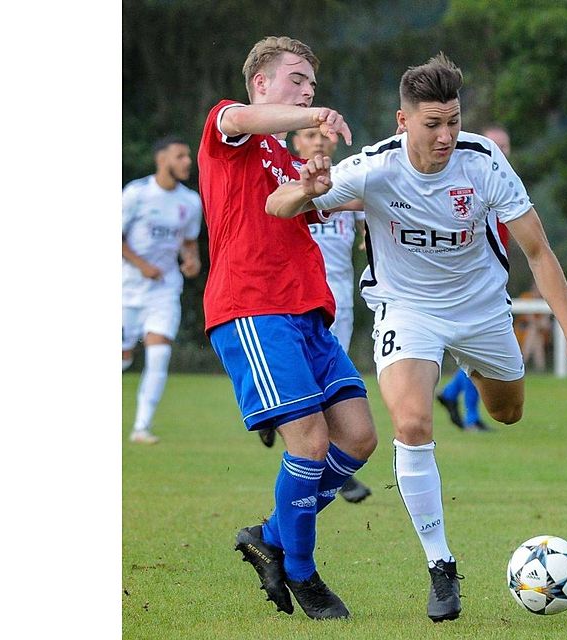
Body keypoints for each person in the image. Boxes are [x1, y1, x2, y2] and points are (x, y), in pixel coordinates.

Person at [266, 53, 567, 623]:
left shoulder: (483, 161)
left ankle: (467, 386)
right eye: (433, 124)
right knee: (410, 423)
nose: (447, 135)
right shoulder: (372, 167)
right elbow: (276, 206)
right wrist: (304, 190)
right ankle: (441, 565)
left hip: (481, 310)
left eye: (453, 120)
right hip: (407, 311)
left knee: (507, 413)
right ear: (403, 122)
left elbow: (537, 250)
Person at [195, 36, 377, 621]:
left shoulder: (282, 155)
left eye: (312, 87)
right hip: (252, 306)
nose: (306, 91)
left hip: (306, 310)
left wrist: (318, 187)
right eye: (296, 79)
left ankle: (271, 535)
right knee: (311, 442)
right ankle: (302, 572)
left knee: (358, 437)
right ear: (261, 82)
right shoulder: (231, 126)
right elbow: (243, 119)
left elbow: (285, 205)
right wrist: (315, 115)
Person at [249, 126, 373, 504]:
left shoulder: (343, 180)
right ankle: (309, 445)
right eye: (308, 135)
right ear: (295, 142)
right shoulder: (288, 183)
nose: (319, 141)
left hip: (338, 292)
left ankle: (309, 441)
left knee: (334, 380)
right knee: (305, 380)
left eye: (326, 135)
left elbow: (369, 217)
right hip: (296, 292)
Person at [122, 135, 203, 444]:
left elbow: (187, 242)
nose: (187, 162)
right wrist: (141, 265)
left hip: (164, 289)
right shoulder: (136, 194)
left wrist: (192, 260)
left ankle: (141, 427)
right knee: (123, 357)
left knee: (159, 354)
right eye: (180, 156)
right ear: (162, 159)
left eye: (188, 157)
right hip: (126, 287)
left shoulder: (190, 201)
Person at [435, 124, 514, 432]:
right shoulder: (470, 184)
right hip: (469, 282)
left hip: (493, 277)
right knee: (480, 354)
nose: (500, 152)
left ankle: (456, 398)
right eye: (495, 145)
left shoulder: (507, 183)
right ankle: (467, 413)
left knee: (482, 355)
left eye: (505, 146)